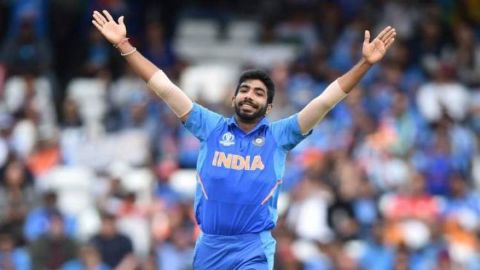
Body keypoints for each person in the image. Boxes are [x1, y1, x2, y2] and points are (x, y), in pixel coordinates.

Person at [92, 10, 396, 270]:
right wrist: (123, 44)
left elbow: (325, 101)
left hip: (253, 247)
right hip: (210, 244)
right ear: (234, 96)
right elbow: (165, 88)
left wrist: (365, 64)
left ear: (269, 107)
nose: (251, 96)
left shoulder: (280, 135)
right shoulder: (209, 126)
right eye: (246, 90)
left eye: (259, 93)